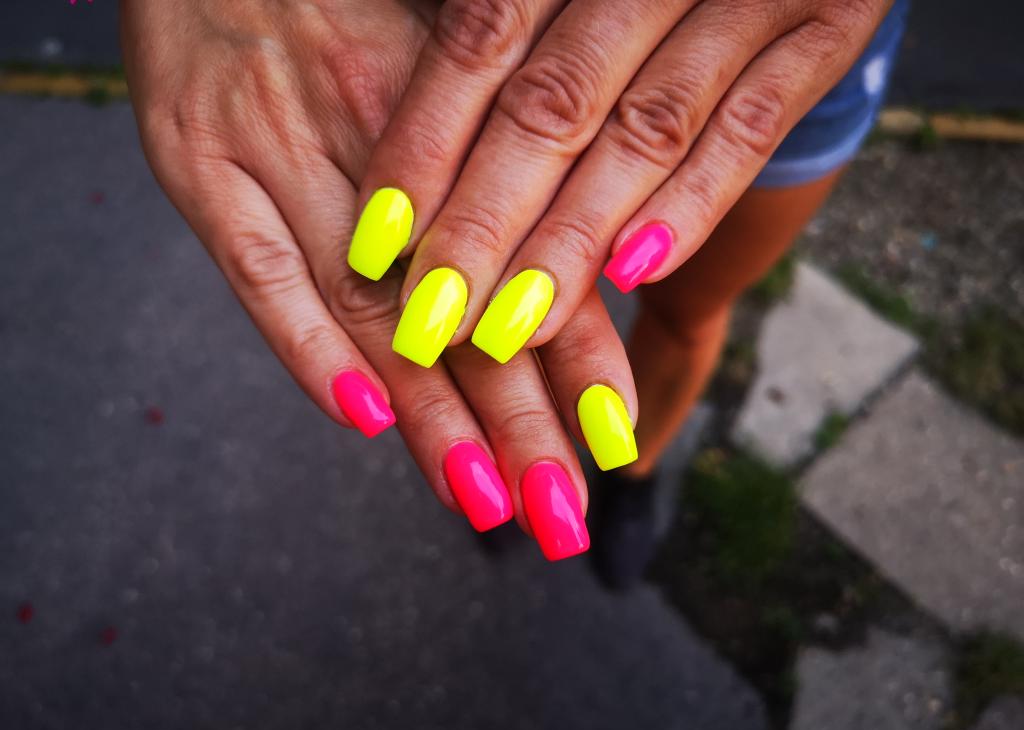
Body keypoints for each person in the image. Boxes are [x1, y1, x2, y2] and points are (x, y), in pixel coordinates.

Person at [121, 0, 907, 578]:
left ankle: (629, 474)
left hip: (754, 39)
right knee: (452, 319)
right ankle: (526, 478)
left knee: (685, 311)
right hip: (440, 27)